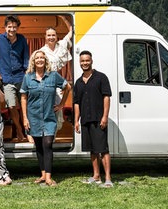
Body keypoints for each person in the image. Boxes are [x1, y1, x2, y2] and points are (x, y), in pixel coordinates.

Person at [20, 50, 71, 187]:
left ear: (46, 60)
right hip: (34, 117)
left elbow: (67, 87)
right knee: (38, 146)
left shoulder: (53, 76)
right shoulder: (28, 78)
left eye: (42, 57)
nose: (40, 60)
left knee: (47, 144)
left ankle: (48, 177)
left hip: (49, 117)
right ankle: (43, 175)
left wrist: (61, 105)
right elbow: (23, 97)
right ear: (33, 61)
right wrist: (25, 118)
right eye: (37, 58)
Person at [73, 50, 114, 188]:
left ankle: (108, 178)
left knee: (103, 149)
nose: (85, 63)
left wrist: (105, 117)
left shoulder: (101, 77)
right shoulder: (78, 82)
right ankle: (96, 176)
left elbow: (106, 97)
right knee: (92, 150)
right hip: (85, 120)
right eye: (82, 61)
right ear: (80, 62)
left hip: (98, 119)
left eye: (87, 60)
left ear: (91, 61)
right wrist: (76, 121)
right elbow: (76, 103)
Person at [0, 15, 30, 142]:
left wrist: (27, 71)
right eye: (9, 27)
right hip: (7, 79)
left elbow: (26, 56)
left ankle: (28, 131)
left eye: (14, 27)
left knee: (25, 106)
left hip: (21, 77)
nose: (12, 29)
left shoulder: (22, 39)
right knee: (11, 106)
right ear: (5, 27)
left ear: (17, 28)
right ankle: (19, 129)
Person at [39, 15, 73, 131]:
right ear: (45, 37)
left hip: (57, 82)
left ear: (56, 36)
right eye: (49, 35)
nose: (51, 37)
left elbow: (71, 31)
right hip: (45, 83)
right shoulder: (42, 51)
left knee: (57, 109)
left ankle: (54, 134)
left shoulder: (62, 45)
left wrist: (64, 18)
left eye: (53, 35)